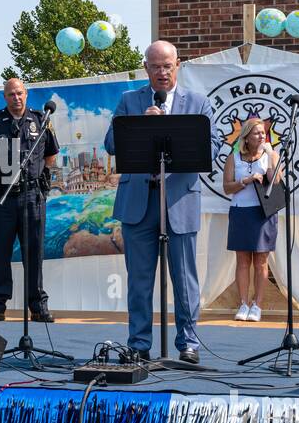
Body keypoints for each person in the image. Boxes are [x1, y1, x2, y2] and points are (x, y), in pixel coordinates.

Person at [104, 40, 219, 364]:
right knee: (139, 281)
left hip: (179, 200)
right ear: (146, 68)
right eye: (155, 66)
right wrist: (141, 123)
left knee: (185, 279)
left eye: (167, 65)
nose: (162, 72)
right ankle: (139, 344)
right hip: (139, 202)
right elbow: (111, 144)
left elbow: (210, 149)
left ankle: (188, 343)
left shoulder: (197, 103)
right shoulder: (130, 101)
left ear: (178, 65)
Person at [0, 77, 59, 323]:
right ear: (5, 97)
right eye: (11, 94)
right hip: (1, 198)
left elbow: (51, 155)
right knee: (0, 253)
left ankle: (38, 306)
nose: (16, 98)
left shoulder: (40, 121)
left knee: (33, 253)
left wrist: (38, 178)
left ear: (26, 94)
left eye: (20, 93)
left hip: (32, 197)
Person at [222, 116, 279, 322]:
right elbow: (227, 187)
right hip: (240, 211)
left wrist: (271, 156)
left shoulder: (270, 155)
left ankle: (258, 305)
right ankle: (244, 303)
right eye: (257, 132)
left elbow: (276, 183)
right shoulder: (233, 158)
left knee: (261, 261)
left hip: (263, 213)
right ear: (246, 137)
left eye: (263, 132)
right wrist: (246, 181)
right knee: (243, 260)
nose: (262, 135)